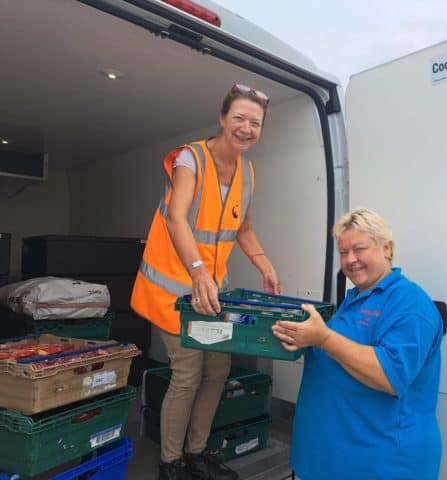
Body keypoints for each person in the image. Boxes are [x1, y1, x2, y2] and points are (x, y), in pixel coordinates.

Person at [131, 83, 282, 480]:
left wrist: (264, 263)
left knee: (218, 371)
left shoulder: (248, 171)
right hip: (173, 293)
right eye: (240, 119)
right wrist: (197, 271)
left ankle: (197, 453)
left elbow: (243, 229)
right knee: (188, 373)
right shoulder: (190, 159)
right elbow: (177, 217)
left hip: (213, 295)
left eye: (255, 122)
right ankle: (170, 462)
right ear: (222, 119)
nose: (247, 128)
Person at [272, 207, 443, 479]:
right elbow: (343, 354)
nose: (350, 260)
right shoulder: (355, 298)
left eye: (359, 249)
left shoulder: (409, 303)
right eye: (343, 252)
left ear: (387, 249)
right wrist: (303, 340)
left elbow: (389, 376)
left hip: (379, 466)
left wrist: (324, 338)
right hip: (322, 461)